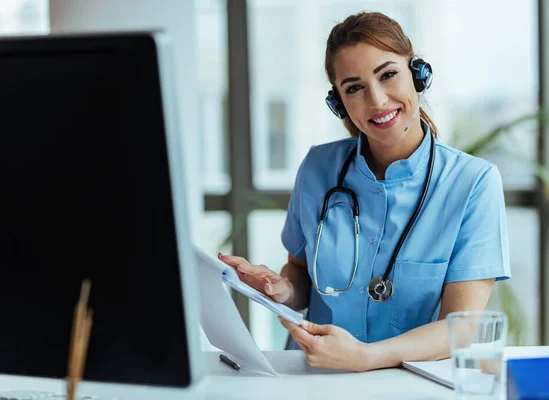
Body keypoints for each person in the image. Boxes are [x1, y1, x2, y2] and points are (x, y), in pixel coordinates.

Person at [218, 11, 510, 372]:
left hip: (405, 385)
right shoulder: (317, 168)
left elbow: (461, 328)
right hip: (311, 377)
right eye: (354, 87)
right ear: (339, 103)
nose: (377, 100)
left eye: (388, 75)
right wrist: (280, 289)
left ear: (418, 73)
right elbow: (299, 273)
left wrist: (365, 358)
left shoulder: (473, 183)